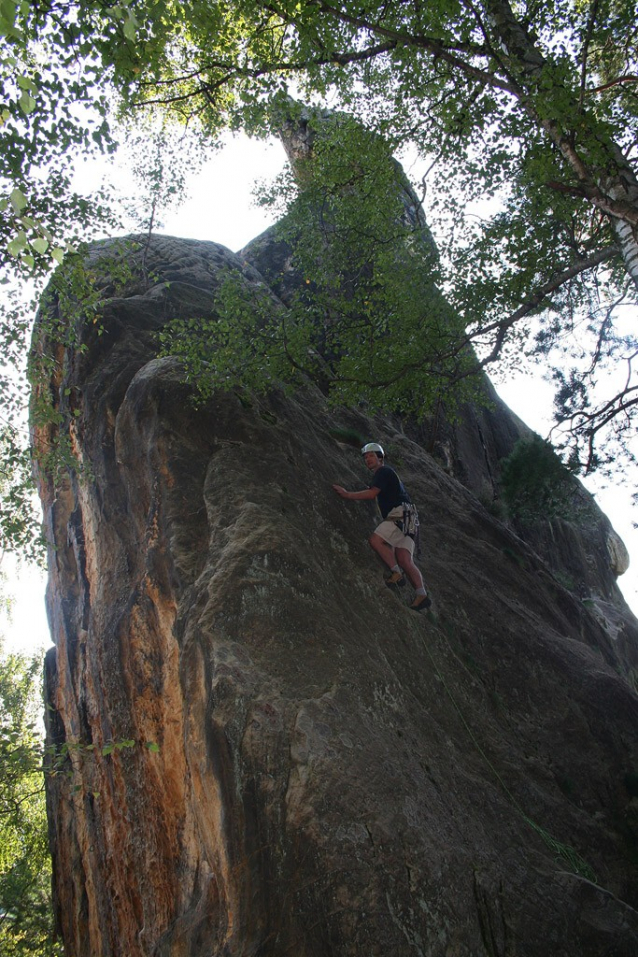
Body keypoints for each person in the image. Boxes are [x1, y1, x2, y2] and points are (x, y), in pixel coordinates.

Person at [333, 443, 431, 611]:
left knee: (375, 540)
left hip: (400, 513)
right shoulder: (387, 475)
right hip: (410, 517)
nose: (367, 460)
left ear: (380, 457)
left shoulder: (383, 472)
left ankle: (396, 573)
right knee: (404, 559)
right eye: (365, 458)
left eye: (371, 456)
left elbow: (372, 494)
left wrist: (347, 494)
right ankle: (421, 594)